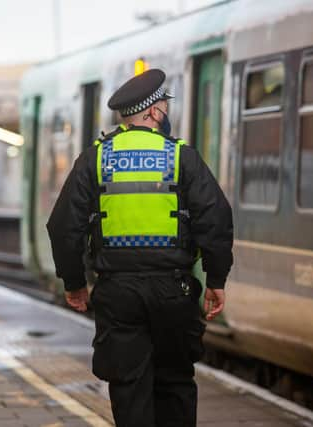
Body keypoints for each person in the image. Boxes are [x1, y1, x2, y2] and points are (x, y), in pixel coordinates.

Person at [47, 69, 233, 426]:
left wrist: (74, 283)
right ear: (152, 113)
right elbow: (216, 218)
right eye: (164, 105)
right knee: (175, 383)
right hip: (173, 289)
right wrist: (216, 280)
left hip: (118, 292)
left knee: (129, 386)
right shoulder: (182, 157)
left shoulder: (95, 159)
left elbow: (63, 227)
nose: (166, 112)